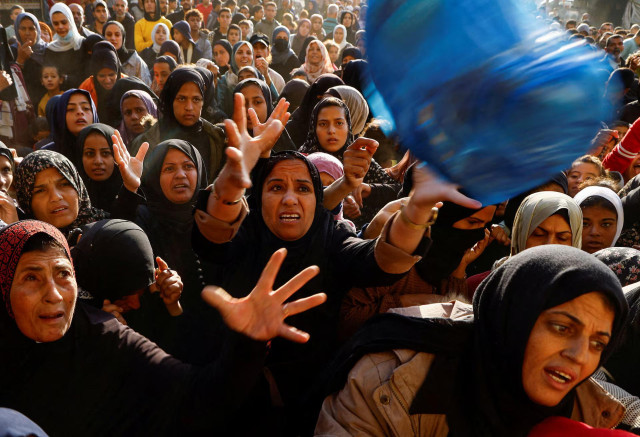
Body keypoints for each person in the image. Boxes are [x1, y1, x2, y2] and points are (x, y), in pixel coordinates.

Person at [191, 92, 477, 430]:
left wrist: (414, 211)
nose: (289, 198)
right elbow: (215, 233)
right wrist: (232, 182)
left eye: (303, 188)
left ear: (317, 201)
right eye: (275, 187)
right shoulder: (246, 233)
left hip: (311, 405)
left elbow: (382, 261)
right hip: (227, 398)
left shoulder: (332, 236)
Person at [0, 219, 326, 435]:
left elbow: (199, 395)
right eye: (31, 277)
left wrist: (249, 342)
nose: (54, 294)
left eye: (63, 274)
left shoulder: (106, 337)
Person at [315, 245, 630, 436]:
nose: (579, 355)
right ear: (513, 317)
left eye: (598, 343)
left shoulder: (592, 414)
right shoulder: (389, 381)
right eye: (562, 328)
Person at [299, 97, 399, 227]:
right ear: (314, 127)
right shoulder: (302, 163)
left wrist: (369, 189)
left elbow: (399, 192)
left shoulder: (360, 159)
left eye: (339, 123)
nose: (331, 131)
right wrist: (338, 205)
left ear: (348, 127)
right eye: (323, 124)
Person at [130, 68, 226, 182]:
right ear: (170, 100)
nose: (189, 107)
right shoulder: (147, 142)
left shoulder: (216, 138)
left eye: (196, 99)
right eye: (182, 99)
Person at [233, 78, 295, 152]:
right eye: (243, 103)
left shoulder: (282, 142)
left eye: (257, 102)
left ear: (268, 104)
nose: (250, 109)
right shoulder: (225, 141)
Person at [74, 123, 123, 212]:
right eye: (90, 153)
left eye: (105, 153)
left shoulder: (132, 194)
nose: (98, 161)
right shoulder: (72, 199)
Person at [286, 73, 343, 147]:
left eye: (330, 102)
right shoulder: (291, 130)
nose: (322, 106)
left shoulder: (351, 137)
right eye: (319, 99)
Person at [78, 41, 123, 122]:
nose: (107, 80)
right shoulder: (86, 88)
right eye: (102, 76)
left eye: (111, 75)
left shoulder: (127, 85)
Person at [45, 3, 87, 89]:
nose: (60, 27)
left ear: (70, 21)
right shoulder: (50, 49)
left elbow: (87, 76)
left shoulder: (83, 44)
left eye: (64, 22)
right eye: (56, 23)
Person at [12, 12, 49, 107]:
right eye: (23, 29)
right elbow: (9, 82)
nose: (27, 33)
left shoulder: (48, 50)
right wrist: (20, 60)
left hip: (45, 103)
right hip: (21, 105)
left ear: (38, 31)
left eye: (32, 28)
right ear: (17, 30)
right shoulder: (11, 51)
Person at [574, 185, 624, 254]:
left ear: (619, 226)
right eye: (584, 224)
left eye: (606, 224)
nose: (595, 232)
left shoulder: (631, 262)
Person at [102, 21, 151, 85]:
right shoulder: (99, 59)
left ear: (123, 37)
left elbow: (146, 87)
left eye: (117, 35)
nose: (113, 38)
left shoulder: (135, 61)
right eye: (109, 34)